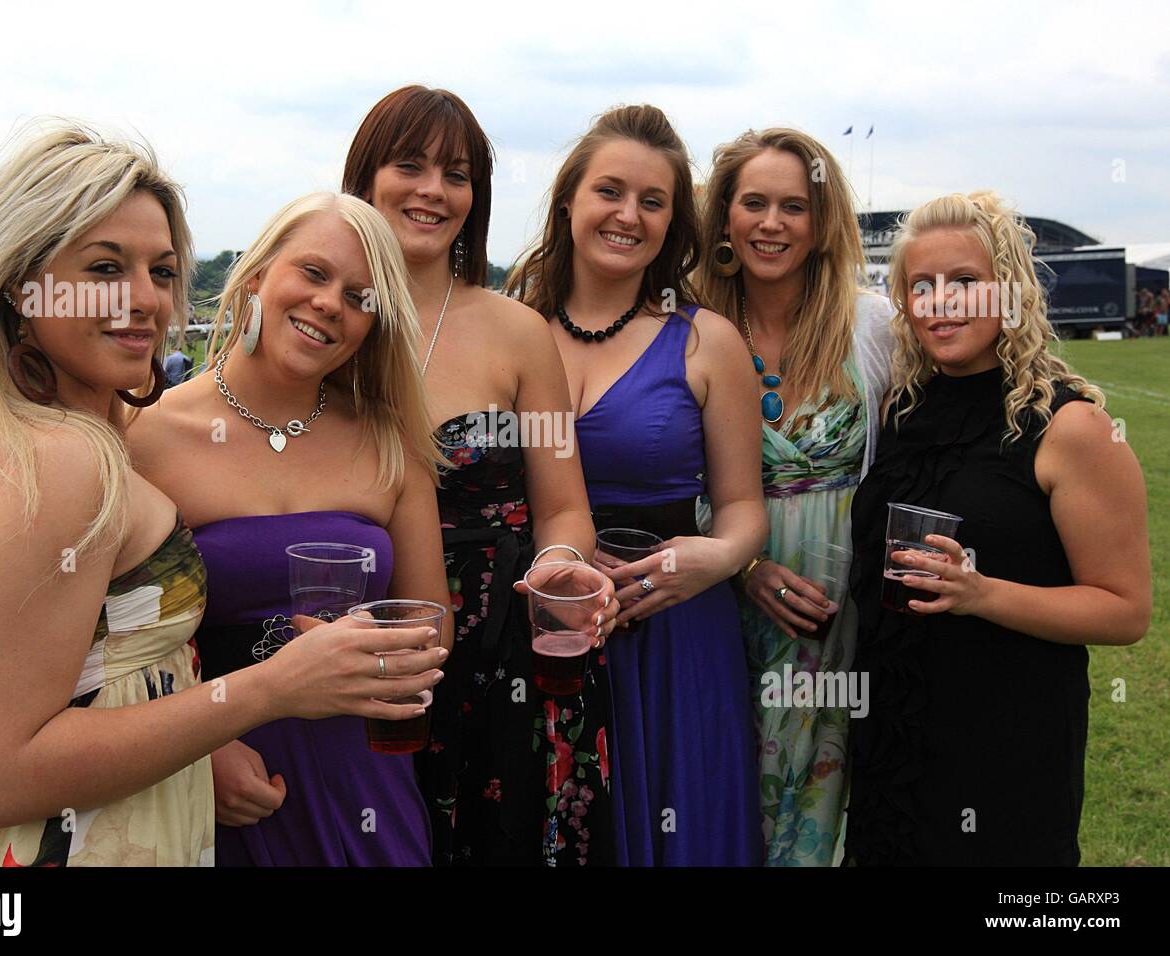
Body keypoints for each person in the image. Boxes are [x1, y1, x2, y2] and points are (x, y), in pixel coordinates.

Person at [0, 125, 442, 867]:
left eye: (160, 270)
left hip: (213, 797)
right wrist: (264, 693)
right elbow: (0, 772)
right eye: (106, 267)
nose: (145, 299)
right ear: (21, 280)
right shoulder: (65, 456)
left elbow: (105, 663)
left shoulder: (57, 431)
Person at [128, 191, 452, 866]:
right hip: (211, 779)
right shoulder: (146, 437)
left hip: (363, 778)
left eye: (361, 297)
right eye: (313, 273)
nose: (333, 303)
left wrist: (374, 660)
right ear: (257, 279)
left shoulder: (391, 445)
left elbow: (432, 627)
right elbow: (101, 646)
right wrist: (201, 750)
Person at [344, 85, 618, 866]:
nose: (433, 190)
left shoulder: (517, 333)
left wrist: (561, 568)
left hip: (514, 654)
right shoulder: (325, 322)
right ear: (365, 177)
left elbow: (564, 509)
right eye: (410, 164)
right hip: (370, 659)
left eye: (457, 174)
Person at [846, 190, 1151, 866]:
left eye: (964, 282)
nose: (940, 301)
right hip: (894, 734)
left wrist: (983, 594)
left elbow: (1125, 610)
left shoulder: (1072, 428)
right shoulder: (900, 407)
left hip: (1005, 744)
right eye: (920, 285)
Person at [507, 104, 768, 866]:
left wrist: (717, 561)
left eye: (653, 202)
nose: (629, 215)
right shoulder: (513, 330)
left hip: (673, 634)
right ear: (568, 202)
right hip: (545, 630)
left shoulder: (706, 340)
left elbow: (744, 507)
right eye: (609, 192)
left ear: (672, 223)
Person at [695, 128, 894, 866]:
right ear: (724, 218)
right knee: (722, 795)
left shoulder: (871, 327)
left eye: (794, 206)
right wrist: (742, 568)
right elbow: (666, 476)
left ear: (822, 223)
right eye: (753, 203)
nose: (771, 223)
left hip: (837, 620)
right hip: (717, 604)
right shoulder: (687, 325)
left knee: (821, 807)